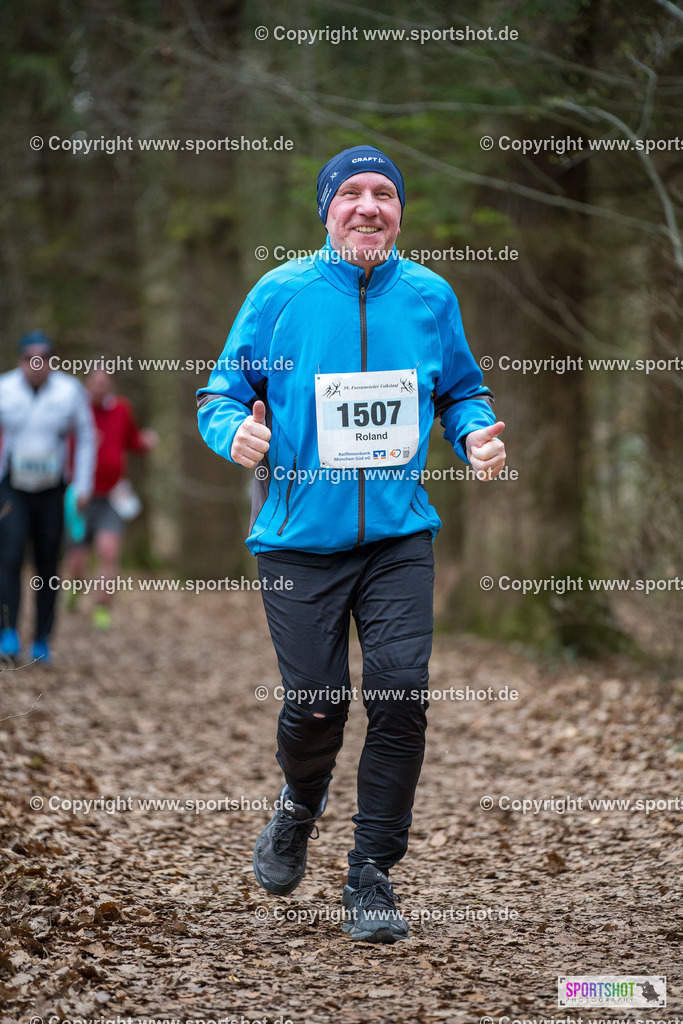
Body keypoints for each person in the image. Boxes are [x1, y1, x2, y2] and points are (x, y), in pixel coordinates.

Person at [197, 145, 506, 943]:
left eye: (384, 194)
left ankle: (370, 873)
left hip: (398, 537)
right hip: (298, 541)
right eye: (352, 194)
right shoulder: (280, 294)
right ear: (327, 209)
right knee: (316, 705)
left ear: (399, 210)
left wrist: (474, 435)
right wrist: (235, 432)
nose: (369, 207)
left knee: (401, 695)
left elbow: (462, 389)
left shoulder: (430, 297)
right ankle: (300, 804)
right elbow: (219, 393)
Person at [0, 331, 95, 664]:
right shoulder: (5, 389)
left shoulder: (70, 391)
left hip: (53, 489)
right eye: (30, 358)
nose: (37, 365)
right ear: (20, 360)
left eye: (44, 357)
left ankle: (42, 638)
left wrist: (82, 485)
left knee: (47, 563)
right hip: (13, 487)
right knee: (10, 555)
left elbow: (86, 436)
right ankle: (7, 631)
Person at [65, 366, 157, 629]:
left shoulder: (121, 410)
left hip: (112, 495)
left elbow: (132, 441)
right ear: (87, 384)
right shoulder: (75, 412)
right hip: (80, 497)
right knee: (77, 562)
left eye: (105, 383)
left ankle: (102, 610)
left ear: (112, 386)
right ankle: (74, 589)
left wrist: (145, 442)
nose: (99, 387)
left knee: (108, 551)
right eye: (95, 382)